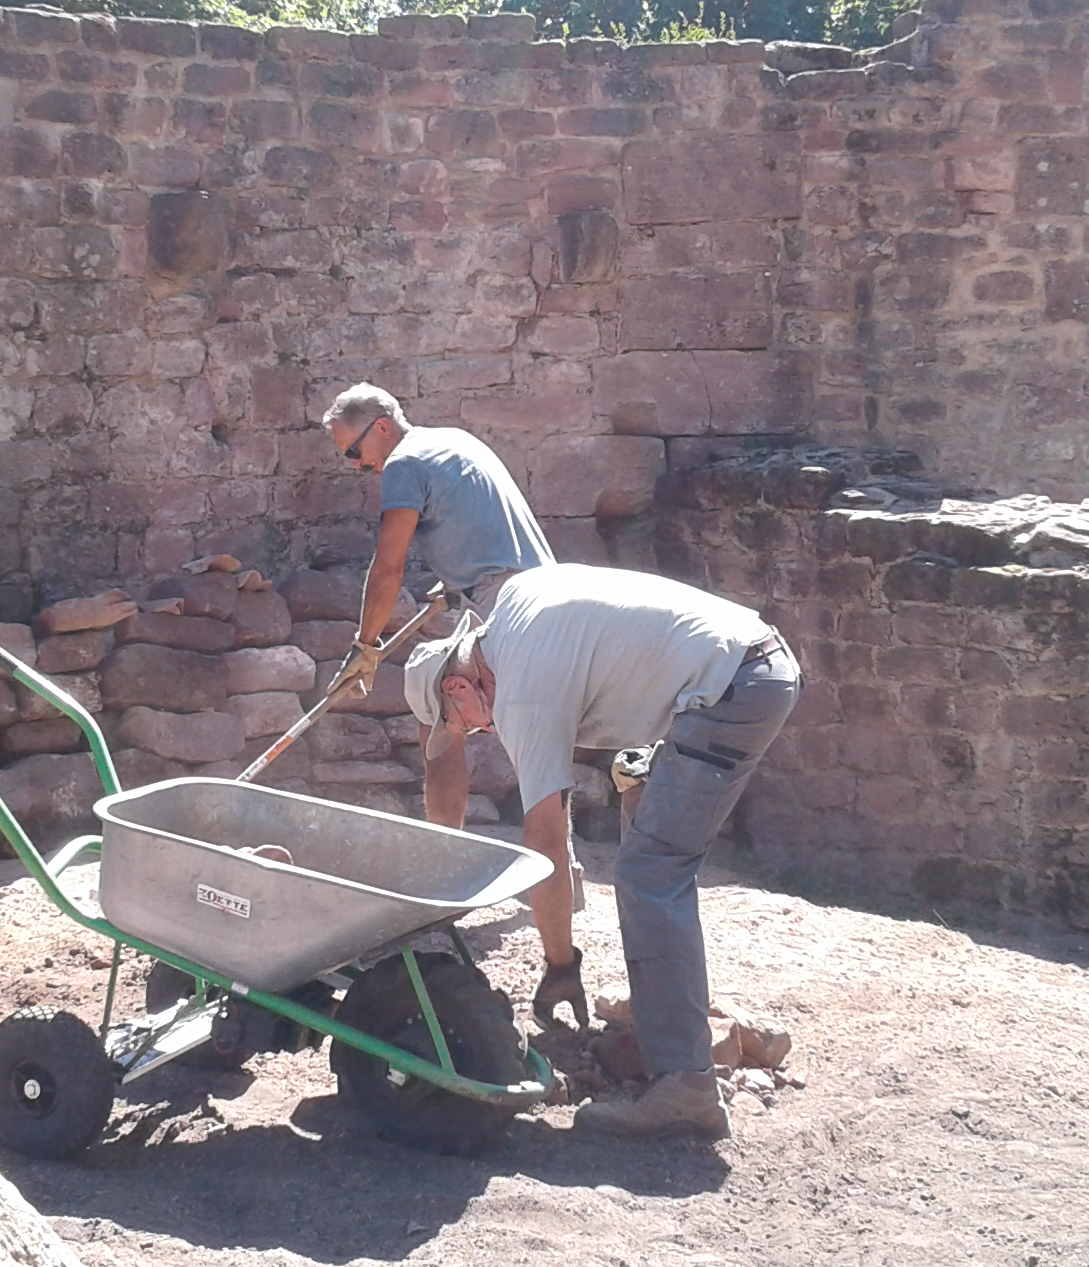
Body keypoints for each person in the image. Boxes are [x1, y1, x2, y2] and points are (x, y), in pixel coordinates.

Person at [403, 564, 801, 1140]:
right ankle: (665, 1021)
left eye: (461, 725)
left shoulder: (523, 697)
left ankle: (687, 1089)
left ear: (458, 688)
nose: (476, 734)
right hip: (748, 658)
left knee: (648, 873)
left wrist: (561, 965)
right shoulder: (513, 604)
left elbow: (545, 844)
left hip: (731, 688)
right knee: (637, 788)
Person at [319, 384, 556, 834]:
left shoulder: (404, 463)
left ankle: (446, 852)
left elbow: (387, 568)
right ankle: (563, 866)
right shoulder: (453, 439)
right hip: (543, 593)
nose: (357, 465)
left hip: (506, 604)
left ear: (382, 427)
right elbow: (480, 522)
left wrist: (365, 646)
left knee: (437, 705)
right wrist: (454, 581)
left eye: (354, 452)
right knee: (543, 735)